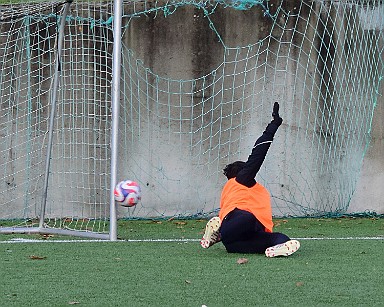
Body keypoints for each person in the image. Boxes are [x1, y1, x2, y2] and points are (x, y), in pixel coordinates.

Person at [200, 102, 300, 257]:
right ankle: (218, 232)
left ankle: (279, 247)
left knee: (280, 238)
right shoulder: (241, 180)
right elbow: (258, 153)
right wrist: (273, 126)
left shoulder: (229, 190)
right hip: (243, 223)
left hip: (235, 243)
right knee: (248, 218)